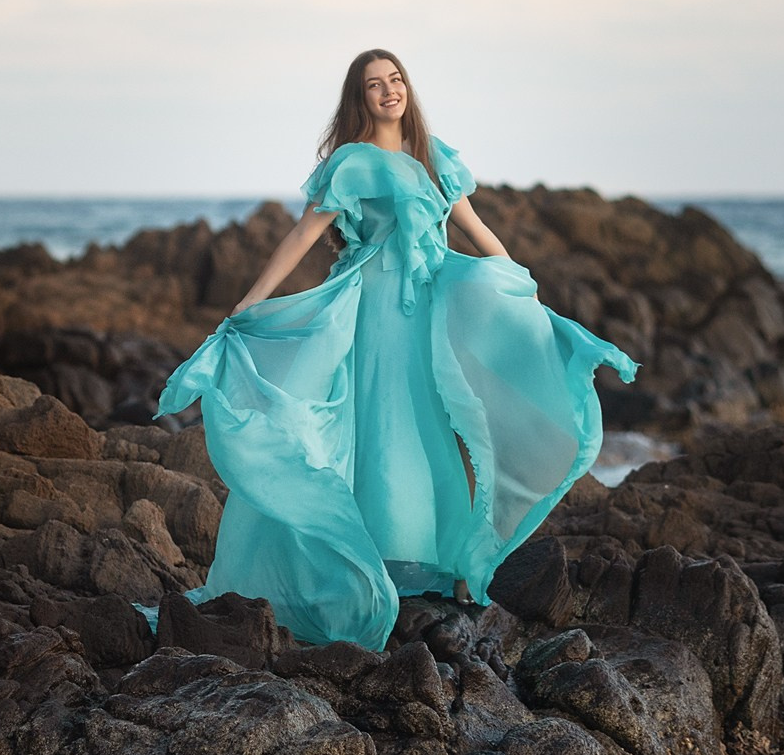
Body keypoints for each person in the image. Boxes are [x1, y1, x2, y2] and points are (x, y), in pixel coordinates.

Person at [156, 49, 637, 651]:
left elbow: (474, 229)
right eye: (374, 85)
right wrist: (248, 304)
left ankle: (452, 566)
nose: (389, 91)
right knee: (381, 428)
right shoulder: (352, 163)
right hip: (376, 312)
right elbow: (304, 234)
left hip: (432, 312)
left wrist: (521, 291)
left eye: (396, 79)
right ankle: (367, 566)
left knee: (446, 427)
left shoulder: (435, 159)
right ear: (359, 99)